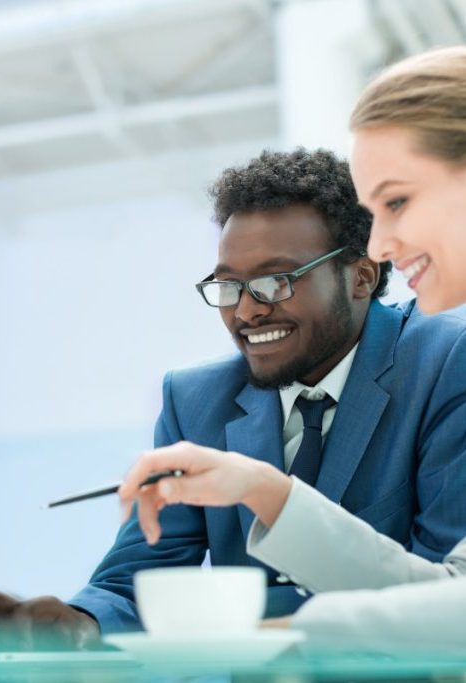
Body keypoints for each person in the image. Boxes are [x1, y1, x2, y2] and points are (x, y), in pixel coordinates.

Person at [0, 147, 466, 653]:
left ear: (362, 276)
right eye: (228, 286)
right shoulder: (196, 399)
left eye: (275, 282)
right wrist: (76, 622)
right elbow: (138, 580)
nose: (246, 311)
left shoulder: (445, 361)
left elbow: (440, 598)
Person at [119, 45, 466, 654]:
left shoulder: (445, 356)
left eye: (397, 201)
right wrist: (263, 489)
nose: (380, 244)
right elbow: (448, 599)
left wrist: (266, 637)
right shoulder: (196, 396)